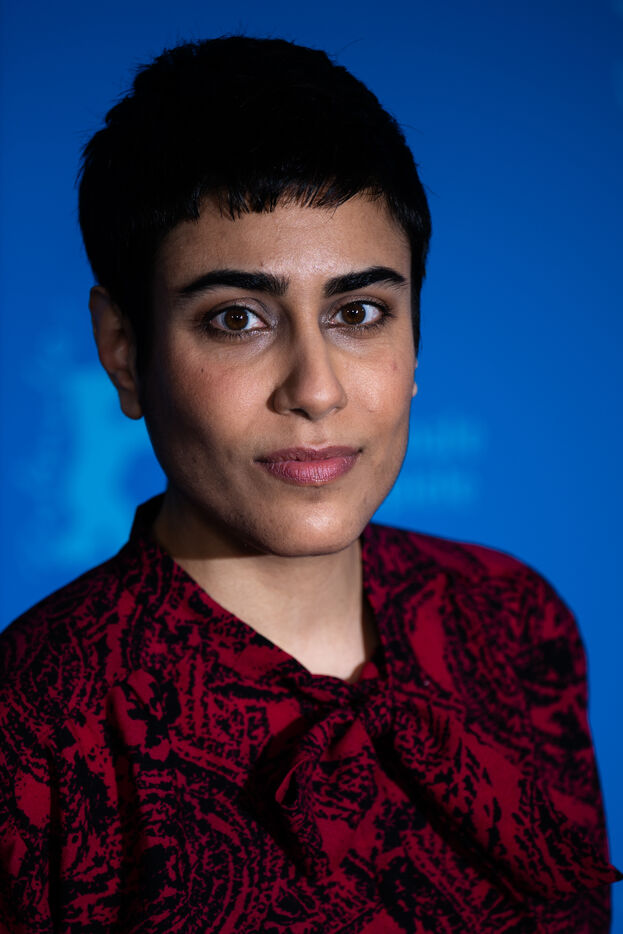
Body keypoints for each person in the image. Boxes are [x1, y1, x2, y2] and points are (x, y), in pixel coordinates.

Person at [0, 36, 619, 933]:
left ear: (415, 338)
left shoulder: (513, 621)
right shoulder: (34, 721)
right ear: (124, 351)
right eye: (236, 319)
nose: (316, 389)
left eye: (358, 312)